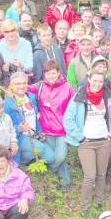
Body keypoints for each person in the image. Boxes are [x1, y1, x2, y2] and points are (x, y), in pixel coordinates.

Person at [64, 69, 111, 216]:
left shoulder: (107, 97)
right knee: (90, 175)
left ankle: (98, 201)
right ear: (89, 79)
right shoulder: (79, 96)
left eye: (100, 81)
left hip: (103, 141)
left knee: (102, 174)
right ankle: (85, 206)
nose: (97, 84)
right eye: (94, 80)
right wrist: (80, 137)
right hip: (86, 142)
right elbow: (68, 120)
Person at [27, 60, 75, 188]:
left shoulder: (68, 88)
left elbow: (75, 108)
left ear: (59, 72)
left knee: (59, 157)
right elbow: (23, 88)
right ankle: (65, 181)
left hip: (62, 130)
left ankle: (48, 171)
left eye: (53, 73)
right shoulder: (40, 86)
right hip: (46, 130)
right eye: (47, 74)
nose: (50, 76)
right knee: (53, 156)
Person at [3, 72, 55, 167]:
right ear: (11, 85)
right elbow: (4, 127)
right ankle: (18, 160)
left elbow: (35, 117)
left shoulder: (31, 97)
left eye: (24, 83)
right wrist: (19, 128)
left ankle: (29, 158)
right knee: (40, 148)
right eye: (17, 84)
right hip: (20, 136)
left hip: (33, 134)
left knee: (50, 157)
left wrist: (40, 132)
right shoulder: (7, 103)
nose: (21, 86)